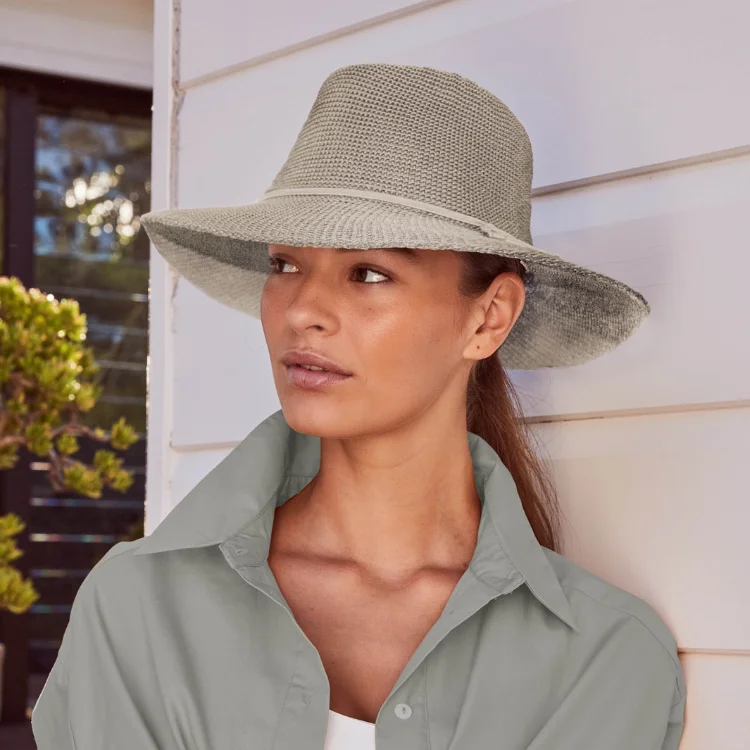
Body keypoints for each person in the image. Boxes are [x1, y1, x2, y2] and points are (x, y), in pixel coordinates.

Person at [31, 63, 686, 750]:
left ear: (489, 318)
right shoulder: (139, 607)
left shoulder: (606, 659)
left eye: (368, 273)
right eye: (285, 265)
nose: (303, 311)